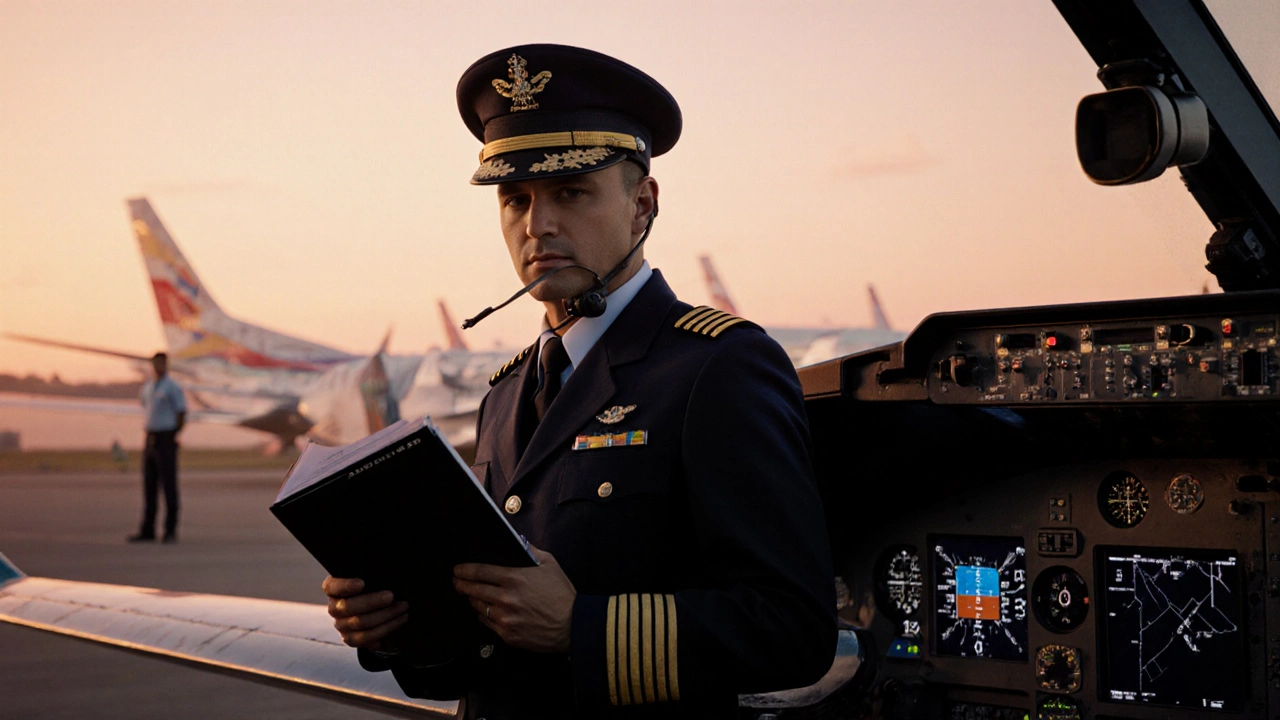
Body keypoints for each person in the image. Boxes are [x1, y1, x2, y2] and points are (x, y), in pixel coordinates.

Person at [323, 44, 836, 719]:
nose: (538, 225)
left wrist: (582, 627)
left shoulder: (719, 368)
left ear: (643, 204)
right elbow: (485, 645)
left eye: (570, 192)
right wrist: (396, 627)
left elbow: (793, 629)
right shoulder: (505, 393)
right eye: (515, 200)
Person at [129, 351, 185, 543]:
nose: (159, 367)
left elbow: (181, 413)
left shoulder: (172, 388)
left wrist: (173, 434)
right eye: (156, 363)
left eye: (162, 363)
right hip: (150, 438)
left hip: (165, 438)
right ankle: (148, 529)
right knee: (149, 486)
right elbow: (145, 407)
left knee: (169, 486)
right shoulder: (148, 387)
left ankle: (170, 530)